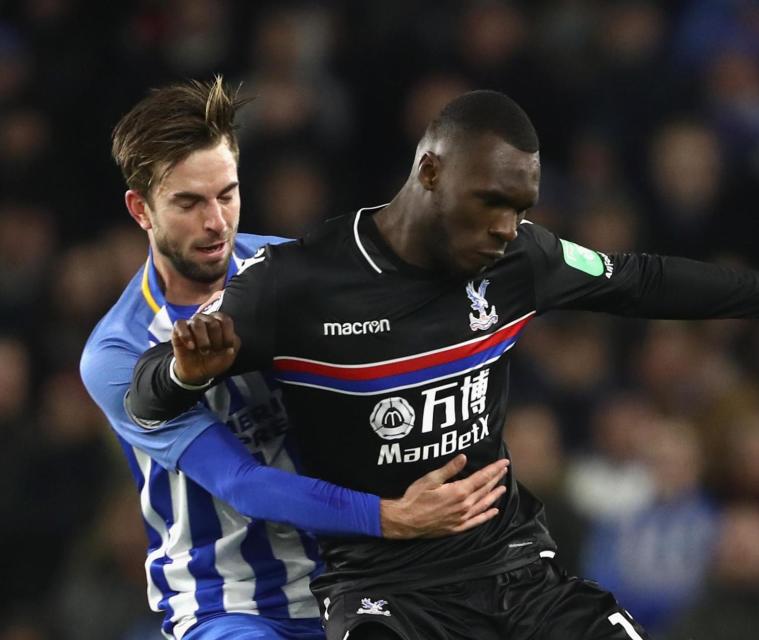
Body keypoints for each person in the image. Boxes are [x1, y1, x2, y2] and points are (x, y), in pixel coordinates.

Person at [127, 90, 759, 640]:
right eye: (492, 203)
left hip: (516, 571)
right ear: (429, 171)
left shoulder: (521, 262)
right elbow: (147, 397)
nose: (510, 227)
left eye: (523, 208)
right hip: (386, 591)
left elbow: (642, 279)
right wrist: (188, 374)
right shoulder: (296, 285)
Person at [80, 79, 509, 640]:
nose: (215, 222)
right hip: (231, 603)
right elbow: (241, 481)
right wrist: (392, 515)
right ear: (141, 210)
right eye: (188, 203)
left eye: (227, 194)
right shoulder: (118, 351)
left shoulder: (291, 269)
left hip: (362, 580)